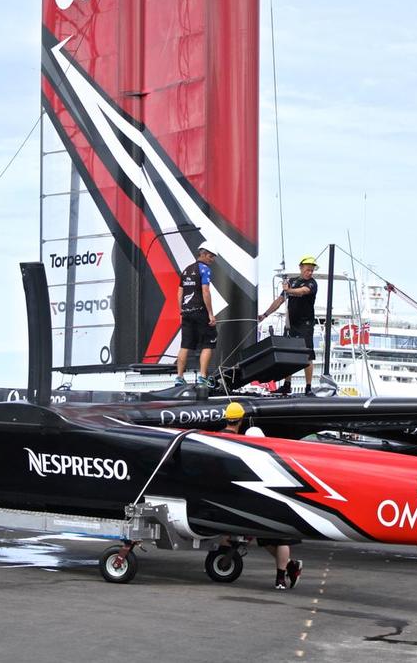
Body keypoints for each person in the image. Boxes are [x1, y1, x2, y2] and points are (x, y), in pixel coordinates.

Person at [217, 401, 302, 589]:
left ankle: (221, 562)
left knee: (240, 534)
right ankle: (283, 574)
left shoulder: (218, 439)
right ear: (240, 420)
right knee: (277, 538)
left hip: (229, 497)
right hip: (259, 501)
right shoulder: (263, 453)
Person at [258, 255, 319, 395]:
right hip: (290, 324)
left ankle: (308, 387)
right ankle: (287, 385)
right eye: (307, 269)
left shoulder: (312, 284)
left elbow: (303, 291)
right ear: (301, 268)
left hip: (306, 324)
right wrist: (265, 315)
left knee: (308, 355)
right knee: (289, 354)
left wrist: (288, 291)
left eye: (312, 270)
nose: (310, 272)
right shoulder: (291, 282)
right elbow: (279, 300)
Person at [175, 241, 217, 388]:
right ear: (203, 254)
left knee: (185, 345)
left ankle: (179, 378)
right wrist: (211, 314)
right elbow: (205, 291)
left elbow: (180, 292)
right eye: (211, 256)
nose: (213, 260)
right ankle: (203, 377)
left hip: (186, 312)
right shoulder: (204, 269)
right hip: (200, 312)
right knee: (208, 343)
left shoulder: (186, 270)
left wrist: (181, 310)